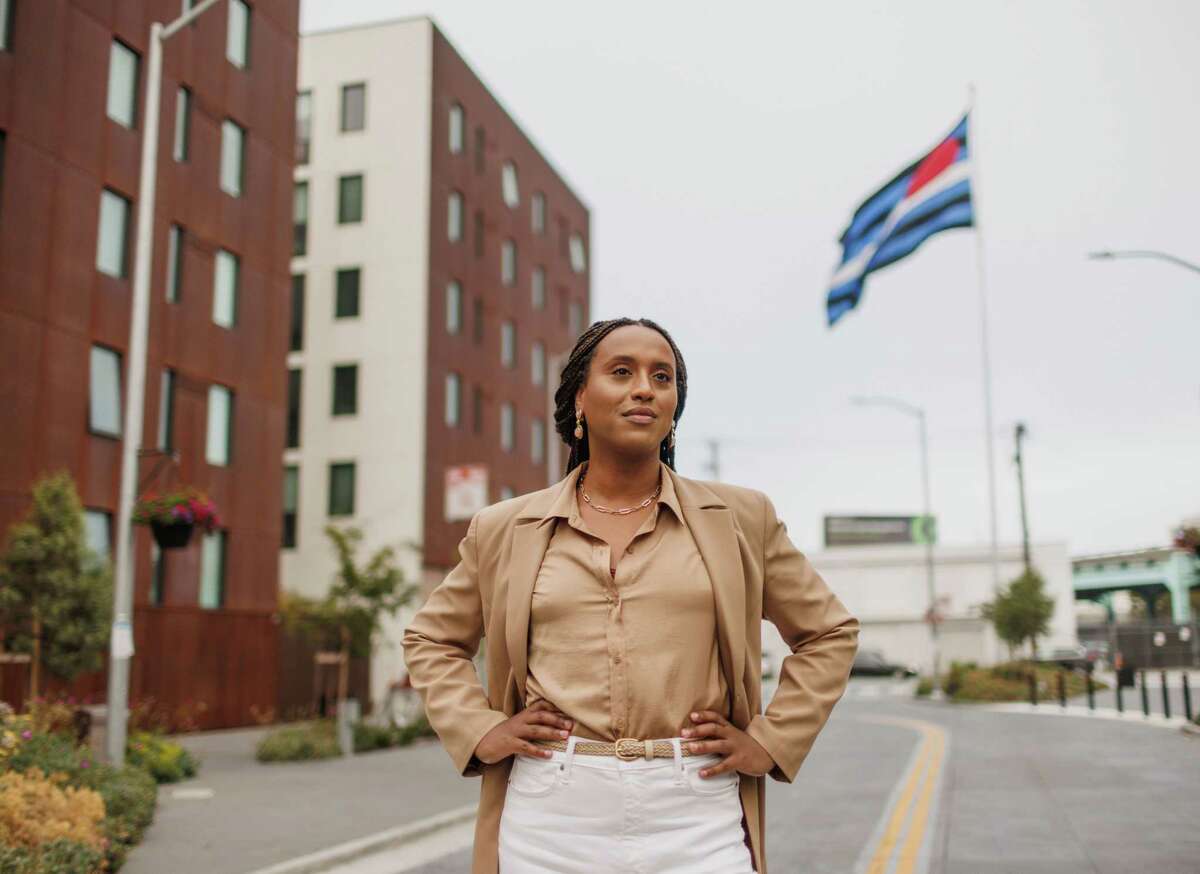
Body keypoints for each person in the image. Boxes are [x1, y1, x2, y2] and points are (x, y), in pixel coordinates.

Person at [403, 317, 858, 874]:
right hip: (550, 817)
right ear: (579, 400)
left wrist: (771, 740)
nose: (645, 388)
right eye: (622, 372)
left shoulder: (740, 519)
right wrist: (481, 729)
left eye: (662, 378)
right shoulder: (505, 528)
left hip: (697, 813)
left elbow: (829, 632)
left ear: (672, 410)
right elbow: (430, 637)